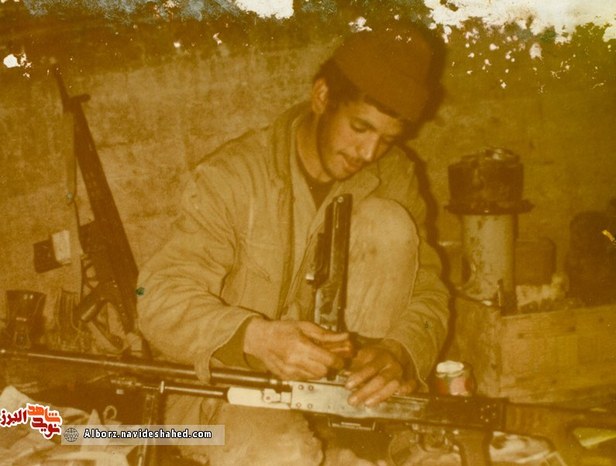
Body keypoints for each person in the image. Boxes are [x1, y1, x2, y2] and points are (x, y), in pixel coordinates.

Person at [137, 26, 450, 465]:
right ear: (322, 97)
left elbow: (428, 291)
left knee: (390, 223)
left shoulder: (394, 174)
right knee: (285, 455)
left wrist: (398, 350)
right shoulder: (231, 177)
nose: (368, 152)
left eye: (386, 139)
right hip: (225, 391)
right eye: (360, 127)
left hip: (345, 394)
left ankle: (363, 431)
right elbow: (156, 298)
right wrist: (255, 337)